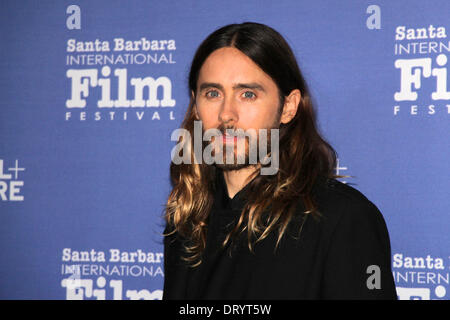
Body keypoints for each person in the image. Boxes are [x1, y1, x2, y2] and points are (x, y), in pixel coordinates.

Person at [163, 22, 397, 299]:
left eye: (248, 94)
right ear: (196, 106)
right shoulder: (187, 218)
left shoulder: (342, 218)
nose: (227, 114)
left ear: (288, 107)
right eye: (212, 93)